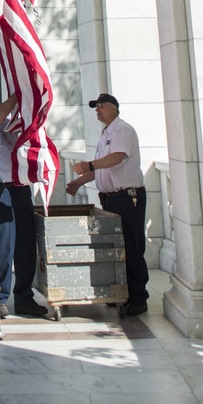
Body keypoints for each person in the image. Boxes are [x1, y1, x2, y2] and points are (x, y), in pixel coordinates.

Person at [0, 84, 48, 319]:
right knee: (3, 246)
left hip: (19, 188)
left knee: (25, 245)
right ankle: (0, 297)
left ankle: (24, 297)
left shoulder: (10, 123)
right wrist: (16, 96)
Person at [66, 93, 148, 317]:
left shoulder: (123, 130)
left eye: (101, 106)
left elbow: (117, 158)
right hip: (110, 198)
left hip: (126, 197)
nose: (97, 110)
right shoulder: (105, 134)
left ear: (113, 108)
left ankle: (139, 296)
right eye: (95, 107)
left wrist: (89, 164)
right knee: (116, 248)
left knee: (131, 246)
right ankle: (122, 292)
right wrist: (78, 181)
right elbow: (100, 168)